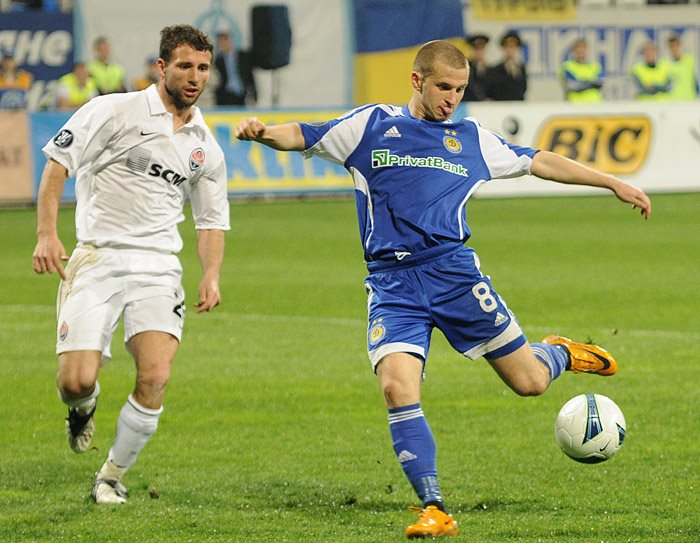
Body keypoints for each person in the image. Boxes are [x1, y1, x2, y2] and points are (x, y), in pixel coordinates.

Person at [234, 40, 651, 539]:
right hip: (392, 285)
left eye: (459, 89)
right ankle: (434, 508)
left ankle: (558, 352)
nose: (452, 98)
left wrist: (610, 182)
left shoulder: (471, 139)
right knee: (396, 387)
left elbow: (537, 160)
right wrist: (263, 133)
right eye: (444, 87)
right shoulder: (371, 126)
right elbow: (303, 134)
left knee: (531, 383)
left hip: (454, 277)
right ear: (417, 81)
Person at [32, 24, 230, 505]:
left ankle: (111, 476)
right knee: (75, 381)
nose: (195, 77)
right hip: (97, 258)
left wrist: (210, 273)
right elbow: (57, 164)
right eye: (185, 66)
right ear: (161, 67)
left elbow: (210, 221)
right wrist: (46, 234)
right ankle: (83, 406)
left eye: (203, 68)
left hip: (158, 268)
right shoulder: (113, 110)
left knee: (155, 376)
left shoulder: (205, 145)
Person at [213, 30, 257, 106]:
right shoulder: (218, 60)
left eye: (225, 40)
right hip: (225, 95)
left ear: (231, 40)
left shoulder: (243, 56)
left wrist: (254, 94)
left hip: (243, 94)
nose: (223, 44)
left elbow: (250, 75)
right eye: (221, 42)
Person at [484, 31, 527, 101]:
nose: (510, 50)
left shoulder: (521, 68)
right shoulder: (495, 70)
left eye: (513, 47)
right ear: (503, 48)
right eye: (508, 47)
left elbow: (523, 89)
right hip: (501, 105)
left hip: (518, 105)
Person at [558, 38, 604, 102]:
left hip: (595, 104)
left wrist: (583, 82)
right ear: (573, 50)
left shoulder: (595, 67)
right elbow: (573, 85)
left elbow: (599, 83)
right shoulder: (567, 67)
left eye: (583, 48)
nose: (581, 51)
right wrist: (591, 82)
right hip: (575, 104)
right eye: (578, 48)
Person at [662, 34, 698, 101]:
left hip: (689, 100)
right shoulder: (665, 64)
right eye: (671, 46)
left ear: (681, 45)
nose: (674, 48)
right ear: (668, 48)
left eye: (676, 45)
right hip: (672, 101)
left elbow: (697, 80)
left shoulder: (690, 60)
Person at [461, 33, 489, 102]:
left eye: (481, 49)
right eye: (476, 49)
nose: (479, 52)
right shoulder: (465, 68)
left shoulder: (490, 69)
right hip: (469, 104)